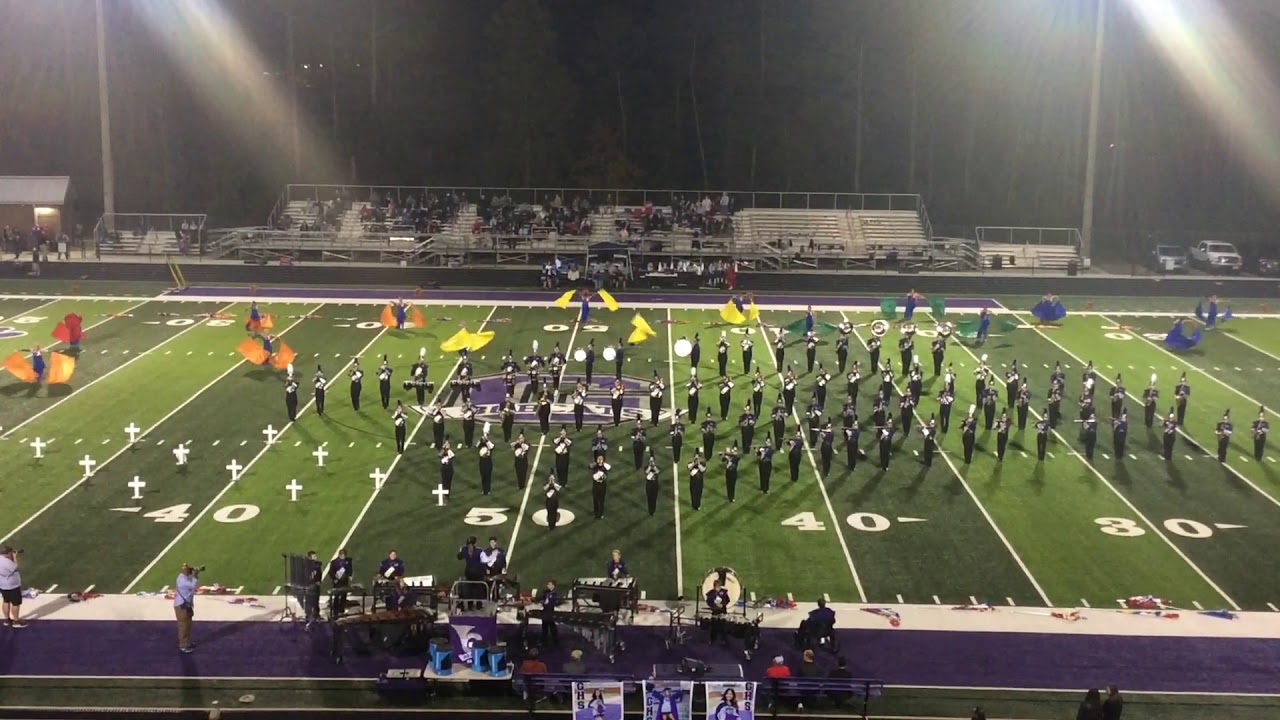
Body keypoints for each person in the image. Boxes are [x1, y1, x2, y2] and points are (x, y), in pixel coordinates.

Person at [174, 562, 201, 652]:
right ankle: (183, 645)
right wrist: (196, 574)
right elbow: (193, 586)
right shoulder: (183, 581)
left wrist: (193, 570)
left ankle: (187, 642)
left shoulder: (182, 577)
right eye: (188, 570)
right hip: (182, 607)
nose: (190, 571)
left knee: (188, 625)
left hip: (185, 605)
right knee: (184, 626)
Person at [0, 545, 25, 628]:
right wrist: (14, 558)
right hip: (12, 585)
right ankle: (16, 620)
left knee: (6, 601)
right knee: (15, 603)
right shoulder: (6, 562)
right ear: (7, 553)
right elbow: (15, 567)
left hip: (3, 585)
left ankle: (7, 620)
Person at [328, 548, 353, 618]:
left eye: (344, 556)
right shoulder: (334, 562)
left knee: (344, 595)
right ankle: (335, 610)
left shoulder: (348, 561)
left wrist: (350, 575)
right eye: (342, 556)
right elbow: (331, 572)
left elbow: (350, 569)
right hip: (337, 581)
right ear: (339, 555)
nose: (343, 557)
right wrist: (334, 579)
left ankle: (342, 609)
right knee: (337, 595)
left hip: (345, 580)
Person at [540, 579, 560, 648]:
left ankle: (555, 641)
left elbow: (554, 602)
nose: (547, 585)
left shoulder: (554, 594)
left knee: (552, 627)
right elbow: (542, 599)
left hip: (550, 612)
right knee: (544, 627)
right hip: (545, 611)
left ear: (553, 586)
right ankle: (544, 641)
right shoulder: (546, 593)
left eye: (549, 584)